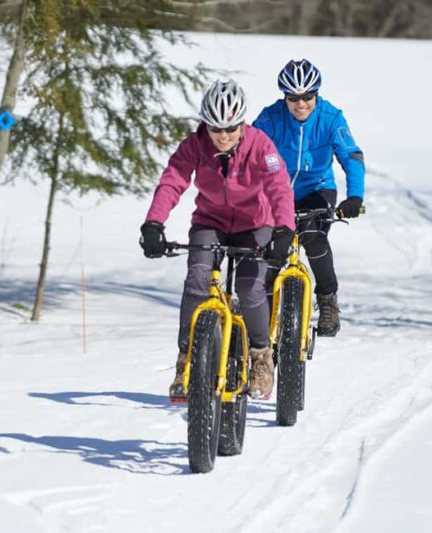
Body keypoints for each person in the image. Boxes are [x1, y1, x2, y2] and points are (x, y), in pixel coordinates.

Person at [139, 79, 296, 401]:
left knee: (249, 287)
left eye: (230, 129)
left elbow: (278, 187)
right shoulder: (194, 145)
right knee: (197, 281)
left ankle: (260, 357)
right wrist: (154, 223)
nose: (223, 136)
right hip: (210, 221)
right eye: (215, 129)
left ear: (241, 123)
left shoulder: (260, 145)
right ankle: (186, 361)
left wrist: (283, 229)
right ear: (205, 125)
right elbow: (173, 181)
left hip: (256, 223)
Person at [252, 59, 365, 337]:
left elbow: (351, 157)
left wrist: (355, 197)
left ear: (316, 94)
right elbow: (248, 154)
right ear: (285, 97)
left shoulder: (331, 117)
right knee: (270, 248)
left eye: (307, 97)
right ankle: (259, 309)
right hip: (276, 192)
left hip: (317, 188)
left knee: (314, 236)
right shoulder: (270, 118)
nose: (301, 104)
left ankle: (327, 300)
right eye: (293, 98)